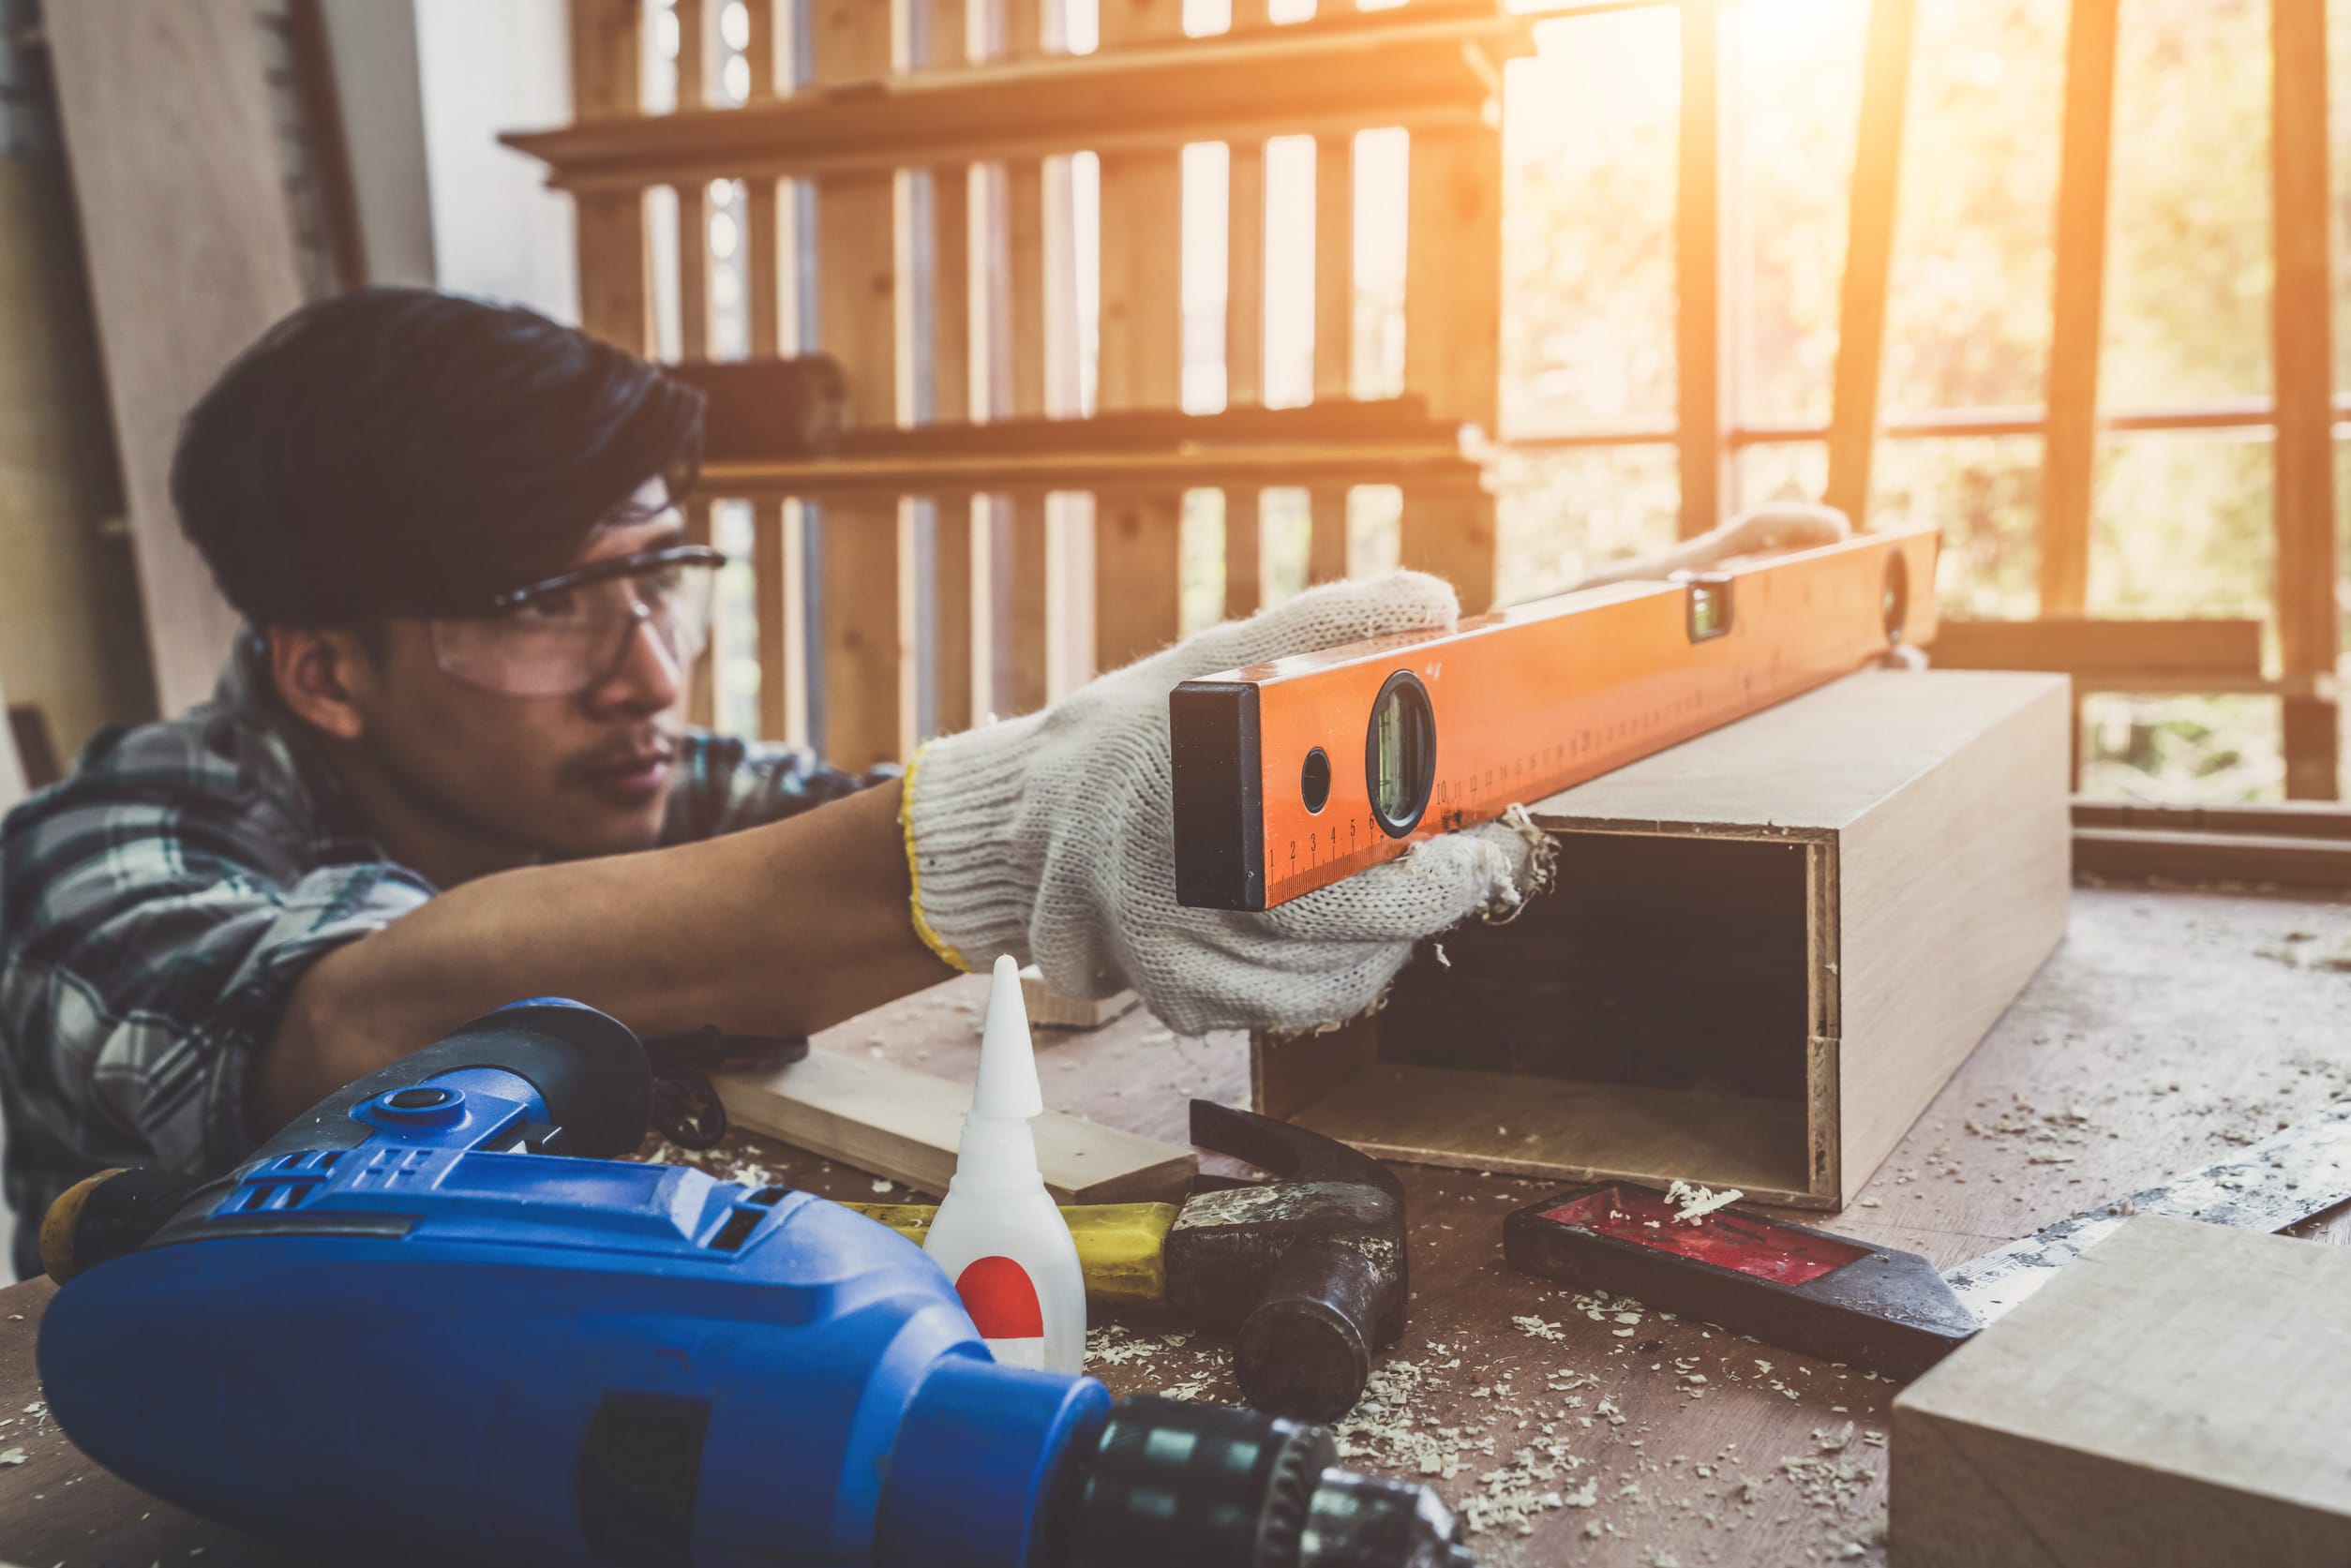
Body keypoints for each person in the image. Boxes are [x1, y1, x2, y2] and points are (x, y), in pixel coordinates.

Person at [0, 288, 1839, 1278]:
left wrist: (1590, 640)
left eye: (660, 578)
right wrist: (991, 841)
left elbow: (867, 856)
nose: (647, 667)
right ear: (322, 668)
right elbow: (345, 1018)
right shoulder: (106, 859)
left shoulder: (629, 780)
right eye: (543, 611)